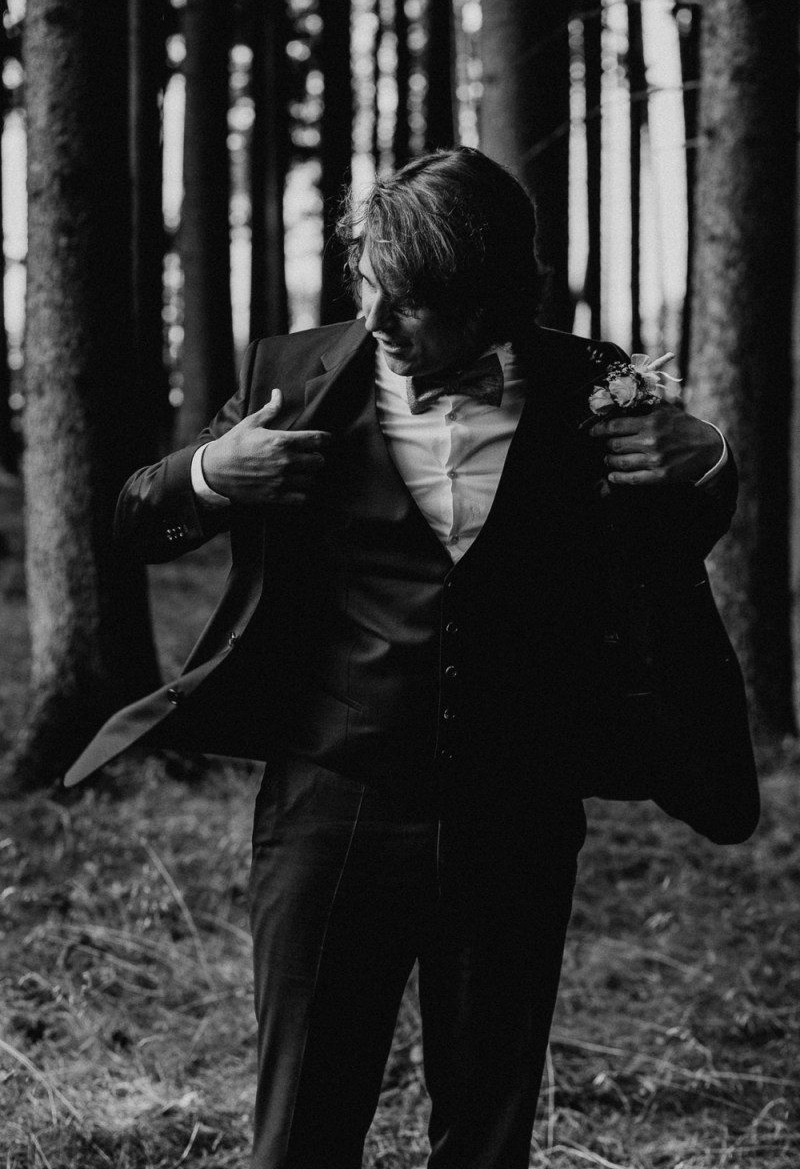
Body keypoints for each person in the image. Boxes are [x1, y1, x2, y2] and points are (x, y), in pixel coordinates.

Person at [65, 147, 759, 1169]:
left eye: (413, 302)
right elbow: (132, 520)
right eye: (367, 283)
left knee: (486, 1134)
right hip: (331, 807)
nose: (378, 318)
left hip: (516, 812)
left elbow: (671, 532)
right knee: (300, 1132)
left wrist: (711, 460)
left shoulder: (595, 383)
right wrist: (212, 471)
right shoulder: (291, 376)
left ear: (491, 302)